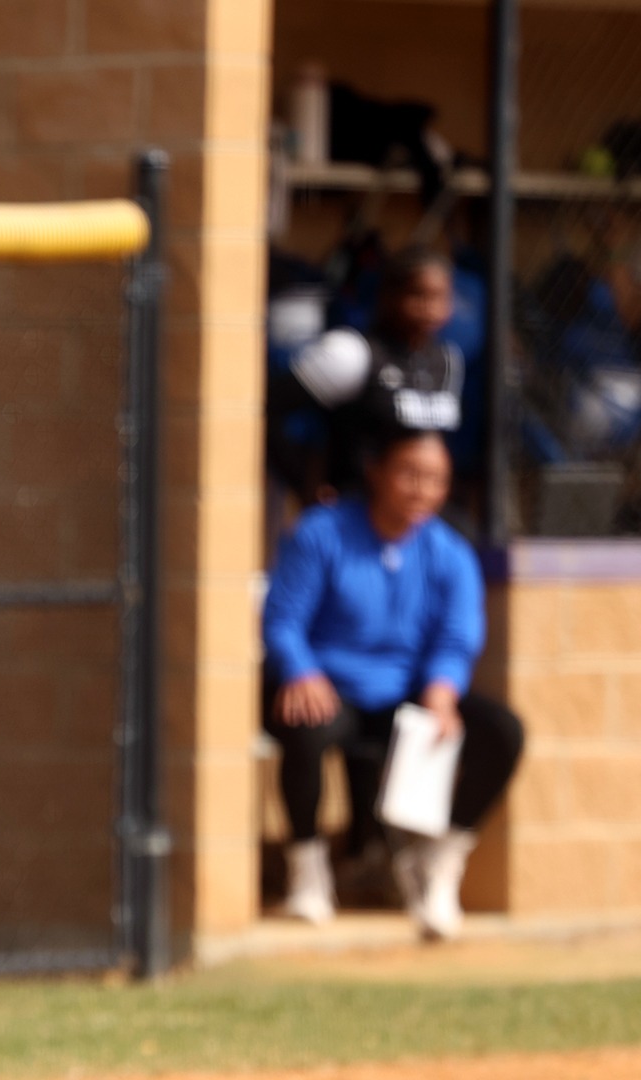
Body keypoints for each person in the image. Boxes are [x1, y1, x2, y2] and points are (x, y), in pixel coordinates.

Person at [261, 430, 523, 940]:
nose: (422, 490)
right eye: (410, 474)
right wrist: (301, 669)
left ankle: (440, 865)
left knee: (502, 732)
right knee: (305, 723)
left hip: (406, 691)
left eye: (436, 480)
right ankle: (308, 875)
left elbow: (456, 636)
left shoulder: (450, 552)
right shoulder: (322, 532)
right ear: (377, 471)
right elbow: (283, 619)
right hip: (331, 686)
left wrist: (442, 691)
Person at [267, 247, 466, 509]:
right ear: (389, 297)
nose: (430, 309)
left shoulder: (449, 361)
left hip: (417, 519)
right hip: (354, 515)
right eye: (418, 295)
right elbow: (268, 410)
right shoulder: (352, 353)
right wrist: (305, 483)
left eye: (440, 298)